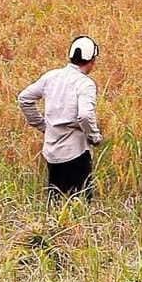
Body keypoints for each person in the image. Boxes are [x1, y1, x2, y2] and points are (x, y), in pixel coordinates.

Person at [18, 37, 103, 197]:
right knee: (79, 203)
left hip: (52, 153)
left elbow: (24, 98)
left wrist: (43, 126)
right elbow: (85, 115)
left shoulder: (51, 77)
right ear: (92, 60)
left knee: (55, 201)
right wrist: (94, 137)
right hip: (76, 153)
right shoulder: (85, 84)